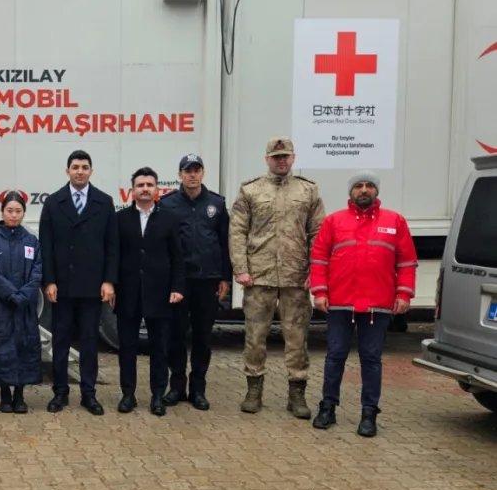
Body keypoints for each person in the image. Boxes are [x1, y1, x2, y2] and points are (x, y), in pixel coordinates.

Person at [309, 171, 417, 437]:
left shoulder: (395, 221)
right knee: (335, 357)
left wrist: (403, 295)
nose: (364, 190)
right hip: (340, 303)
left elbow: (406, 262)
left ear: (376, 191)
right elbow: (319, 258)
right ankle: (328, 407)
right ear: (351, 192)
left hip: (376, 306)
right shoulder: (334, 221)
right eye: (359, 186)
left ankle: (369, 413)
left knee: (371, 360)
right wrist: (320, 292)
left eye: (369, 186)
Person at [229, 136, 325, 418]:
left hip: (296, 278)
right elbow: (237, 232)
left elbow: (317, 234)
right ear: (267, 159)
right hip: (259, 278)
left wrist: (314, 272)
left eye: (286, 156)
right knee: (255, 338)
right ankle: (253, 391)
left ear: (293, 158)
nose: (281, 161)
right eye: (276, 156)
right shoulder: (250, 191)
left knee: (296, 339)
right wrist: (241, 268)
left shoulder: (308, 191)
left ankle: (297, 394)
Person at [37, 150, 118, 415]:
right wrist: (48, 280)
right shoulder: (53, 202)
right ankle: (60, 392)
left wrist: (109, 281)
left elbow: (111, 246)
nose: (80, 171)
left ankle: (88, 393)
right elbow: (45, 245)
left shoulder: (104, 202)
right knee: (60, 341)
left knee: (89, 341)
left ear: (91, 171)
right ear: (67, 171)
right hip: (62, 287)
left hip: (92, 287)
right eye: (75, 167)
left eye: (84, 167)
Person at [157, 154, 231, 411]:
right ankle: (176, 387)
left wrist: (225, 277)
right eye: (187, 171)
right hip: (178, 282)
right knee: (175, 335)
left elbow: (225, 243)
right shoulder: (166, 205)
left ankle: (197, 389)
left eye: (196, 170)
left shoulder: (217, 204)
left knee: (202, 337)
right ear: (179, 175)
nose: (192, 175)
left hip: (207, 280)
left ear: (202, 173)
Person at [113, 168, 185, 416]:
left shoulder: (170, 219)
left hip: (160, 294)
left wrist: (177, 287)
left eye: (150, 184)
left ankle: (157, 396)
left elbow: (178, 257)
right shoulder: (120, 219)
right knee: (127, 348)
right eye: (140, 184)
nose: (145, 188)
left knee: (159, 348)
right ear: (132, 190)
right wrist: (110, 284)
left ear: (157, 189)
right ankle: (128, 394)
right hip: (127, 293)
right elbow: (113, 256)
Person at [0, 191, 43, 414]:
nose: (14, 215)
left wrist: (24, 296)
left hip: (24, 308)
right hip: (0, 307)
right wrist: (11, 295)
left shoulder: (32, 242)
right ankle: (5, 394)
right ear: (2, 212)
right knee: (1, 348)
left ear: (24, 213)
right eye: (10, 211)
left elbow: (37, 273)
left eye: (18, 211)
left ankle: (20, 395)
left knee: (23, 348)